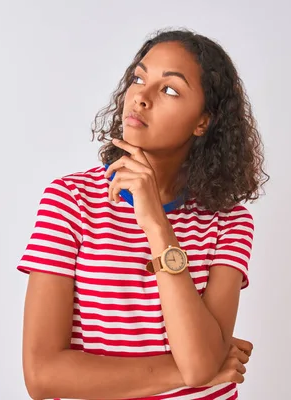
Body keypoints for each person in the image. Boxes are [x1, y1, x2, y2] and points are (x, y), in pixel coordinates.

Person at [16, 28, 268, 400]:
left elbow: (200, 365)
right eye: (138, 78)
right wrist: (186, 370)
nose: (141, 98)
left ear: (204, 122)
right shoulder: (70, 200)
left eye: (169, 89)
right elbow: (42, 376)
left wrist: (156, 224)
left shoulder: (228, 222)